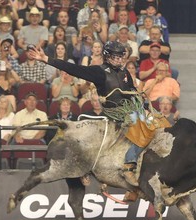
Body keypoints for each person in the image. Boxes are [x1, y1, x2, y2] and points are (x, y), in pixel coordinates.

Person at [28, 41, 143, 186]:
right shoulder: (99, 72)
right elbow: (74, 69)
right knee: (139, 129)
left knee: (150, 126)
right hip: (113, 114)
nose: (119, 60)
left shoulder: (125, 73)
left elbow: (131, 91)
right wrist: (47, 59)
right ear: (107, 57)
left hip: (130, 111)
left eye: (121, 56)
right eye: (116, 56)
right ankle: (128, 166)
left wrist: (138, 97)